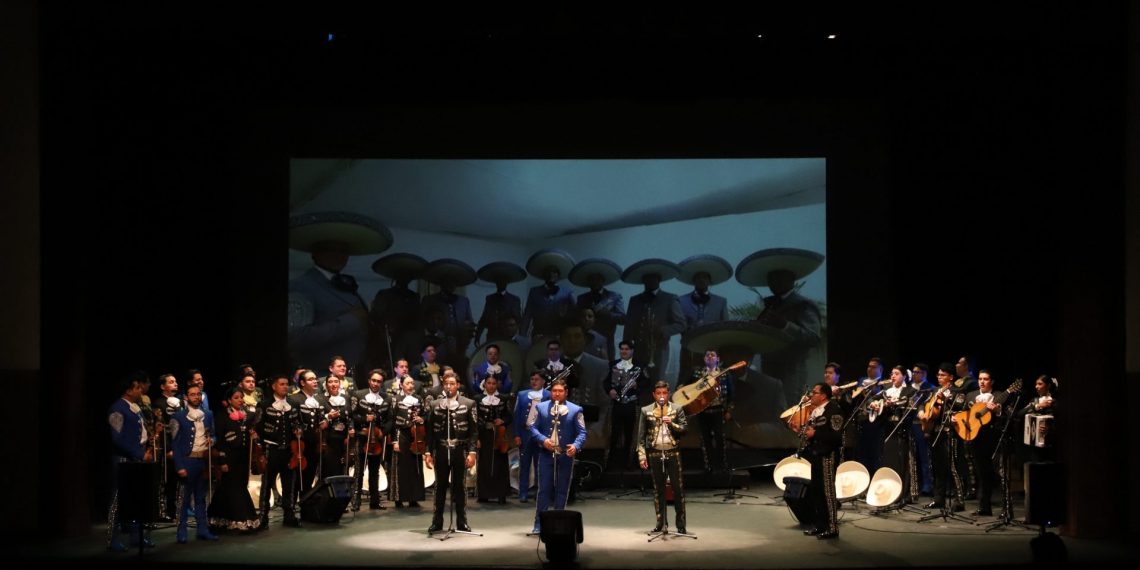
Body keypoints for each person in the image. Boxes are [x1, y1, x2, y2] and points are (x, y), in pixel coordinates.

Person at [287, 211, 393, 374]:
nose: (338, 255)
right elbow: (296, 339)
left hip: (356, 374)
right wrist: (351, 320)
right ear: (315, 254)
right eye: (330, 250)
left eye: (343, 250)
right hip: (322, 377)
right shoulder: (302, 286)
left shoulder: (346, 285)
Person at [527, 378, 588, 534]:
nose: (557, 394)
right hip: (546, 454)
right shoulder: (540, 408)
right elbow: (532, 428)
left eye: (560, 391)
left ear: (566, 393)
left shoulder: (576, 409)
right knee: (544, 490)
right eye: (554, 391)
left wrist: (575, 446)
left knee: (562, 490)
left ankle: (558, 523)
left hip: (565, 455)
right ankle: (539, 524)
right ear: (550, 392)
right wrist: (543, 440)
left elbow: (582, 432)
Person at [107, 373, 155, 552]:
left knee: (137, 498)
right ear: (128, 391)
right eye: (136, 387)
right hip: (123, 460)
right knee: (118, 499)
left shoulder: (135, 407)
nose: (140, 390)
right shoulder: (117, 408)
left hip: (136, 459)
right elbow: (117, 438)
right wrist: (139, 454)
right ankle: (112, 538)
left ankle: (137, 536)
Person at [425, 374, 478, 533]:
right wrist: (428, 452)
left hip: (460, 449)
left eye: (452, 383)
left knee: (460, 486)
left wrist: (472, 452)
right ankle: (437, 521)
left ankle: (462, 522)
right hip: (441, 449)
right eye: (446, 383)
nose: (449, 386)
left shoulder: (469, 403)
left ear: (458, 385)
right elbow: (429, 432)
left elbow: (474, 431)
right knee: (440, 486)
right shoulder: (434, 404)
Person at [637, 381, 689, 534]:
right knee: (658, 490)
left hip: (673, 453)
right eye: (658, 393)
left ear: (668, 394)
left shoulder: (677, 409)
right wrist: (642, 457)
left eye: (664, 393)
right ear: (654, 395)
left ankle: (681, 524)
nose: (661, 396)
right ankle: (660, 522)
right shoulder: (646, 411)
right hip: (655, 453)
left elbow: (684, 429)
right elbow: (640, 437)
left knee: (677, 489)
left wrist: (671, 423)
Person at [169, 384, 220, 543]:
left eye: (198, 394)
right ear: (186, 397)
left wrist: (212, 440)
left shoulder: (208, 414)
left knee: (201, 498)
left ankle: (202, 530)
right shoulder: (178, 417)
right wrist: (180, 466)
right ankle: (181, 531)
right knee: (183, 499)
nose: (196, 397)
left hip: (203, 461)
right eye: (193, 394)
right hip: (188, 461)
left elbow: (213, 435)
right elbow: (175, 444)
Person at [622, 259, 686, 386]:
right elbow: (628, 327)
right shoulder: (635, 300)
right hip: (638, 350)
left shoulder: (670, 298)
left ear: (659, 280)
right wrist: (626, 351)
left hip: (659, 350)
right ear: (643, 281)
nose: (650, 281)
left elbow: (681, 324)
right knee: (637, 383)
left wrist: (664, 330)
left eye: (653, 278)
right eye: (647, 278)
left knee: (657, 383)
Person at [207, 387, 261, 532]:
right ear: (229, 400)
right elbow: (219, 441)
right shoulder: (222, 415)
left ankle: (223, 518)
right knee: (231, 487)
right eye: (236, 397)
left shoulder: (245, 415)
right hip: (229, 458)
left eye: (241, 397)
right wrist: (222, 461)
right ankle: (240, 518)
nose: (240, 400)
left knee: (236, 487)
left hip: (242, 458)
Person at [917, 363, 967, 512]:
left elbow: (960, 406)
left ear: (951, 377)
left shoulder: (957, 391)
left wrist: (945, 399)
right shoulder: (934, 390)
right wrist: (921, 413)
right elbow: (922, 404)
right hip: (935, 433)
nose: (939, 377)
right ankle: (939, 499)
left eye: (943, 375)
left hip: (949, 433)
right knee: (937, 468)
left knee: (953, 467)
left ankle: (959, 500)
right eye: (938, 375)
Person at [255, 374, 302, 528]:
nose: (285, 386)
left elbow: (299, 423)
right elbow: (257, 427)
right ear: (274, 386)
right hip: (271, 450)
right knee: (267, 483)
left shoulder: (293, 404)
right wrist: (260, 449)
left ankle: (289, 514)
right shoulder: (264, 404)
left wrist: (298, 430)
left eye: (286, 384)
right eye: (281, 384)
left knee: (289, 483)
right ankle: (263, 517)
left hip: (288, 450)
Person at [868, 365, 920, 503]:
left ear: (904, 376)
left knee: (903, 461)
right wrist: (873, 404)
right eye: (891, 374)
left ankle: (905, 494)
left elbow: (912, 410)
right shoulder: (886, 391)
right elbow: (870, 400)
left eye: (896, 373)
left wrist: (895, 406)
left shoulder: (911, 391)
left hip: (903, 431)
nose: (893, 376)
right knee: (889, 460)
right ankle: (891, 493)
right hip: (888, 430)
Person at [964, 370, 1013, 517]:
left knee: (1000, 473)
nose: (982, 382)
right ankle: (984, 507)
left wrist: (998, 411)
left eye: (985, 379)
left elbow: (1009, 416)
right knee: (982, 474)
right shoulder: (970, 395)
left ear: (991, 381)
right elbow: (965, 413)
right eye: (980, 379)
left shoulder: (999, 396)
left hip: (994, 438)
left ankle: (1006, 509)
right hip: (975, 438)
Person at [370, 252, 428, 366]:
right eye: (402, 275)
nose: (405, 278)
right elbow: (375, 316)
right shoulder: (385, 294)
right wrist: (384, 328)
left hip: (410, 341)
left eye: (408, 276)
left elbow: (419, 319)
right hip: (389, 339)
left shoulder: (414, 296)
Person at [801, 382, 843, 539]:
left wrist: (815, 435)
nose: (812, 395)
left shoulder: (834, 410)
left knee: (828, 492)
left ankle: (832, 528)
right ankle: (819, 525)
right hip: (816, 454)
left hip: (828, 455)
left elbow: (836, 436)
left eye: (815, 392)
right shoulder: (815, 412)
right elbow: (812, 432)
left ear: (824, 395)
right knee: (816, 491)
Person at [676, 255, 732, 373]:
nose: (701, 280)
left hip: (712, 351)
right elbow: (678, 325)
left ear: (710, 281)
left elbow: (725, 327)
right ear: (693, 280)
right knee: (686, 381)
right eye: (698, 277)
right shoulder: (681, 301)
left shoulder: (720, 302)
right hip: (689, 351)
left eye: (705, 277)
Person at [570, 257, 626, 361]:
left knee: (607, 371)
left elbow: (623, 319)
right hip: (586, 343)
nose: (594, 282)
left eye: (597, 279)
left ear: (603, 280)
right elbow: (576, 320)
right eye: (591, 279)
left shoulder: (614, 297)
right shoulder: (582, 298)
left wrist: (608, 315)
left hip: (607, 342)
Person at [689, 349, 734, 473]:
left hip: (718, 410)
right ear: (704, 359)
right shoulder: (697, 373)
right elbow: (686, 387)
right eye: (707, 355)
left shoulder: (724, 374)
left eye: (712, 355)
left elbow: (731, 393)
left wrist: (729, 410)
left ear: (717, 359)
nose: (710, 356)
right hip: (702, 411)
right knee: (705, 439)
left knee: (720, 438)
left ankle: (722, 465)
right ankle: (708, 465)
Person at [351, 369, 391, 510]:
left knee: (375, 471)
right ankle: (356, 502)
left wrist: (382, 432)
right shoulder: (358, 394)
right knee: (359, 470)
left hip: (377, 439)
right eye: (373, 380)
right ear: (369, 381)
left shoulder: (386, 398)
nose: (375, 383)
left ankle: (375, 501)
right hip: (362, 437)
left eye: (379, 381)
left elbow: (390, 420)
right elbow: (352, 415)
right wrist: (364, 419)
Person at [607, 340, 648, 472]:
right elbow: (606, 382)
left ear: (632, 351)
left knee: (630, 434)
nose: (624, 351)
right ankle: (611, 463)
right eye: (622, 349)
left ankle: (628, 463)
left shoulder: (640, 366)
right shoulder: (613, 364)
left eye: (626, 349)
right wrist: (609, 390)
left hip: (631, 404)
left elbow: (647, 382)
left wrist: (637, 386)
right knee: (614, 434)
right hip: (616, 405)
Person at [388, 375, 427, 508]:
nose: (411, 385)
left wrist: (421, 419)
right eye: (408, 383)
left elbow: (426, 415)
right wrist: (394, 441)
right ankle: (399, 498)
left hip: (415, 435)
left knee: (415, 467)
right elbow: (392, 421)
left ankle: (413, 498)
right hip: (401, 435)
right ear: (402, 385)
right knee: (401, 467)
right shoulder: (396, 399)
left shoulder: (419, 399)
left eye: (412, 383)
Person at [521, 249, 576, 341]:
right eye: (548, 272)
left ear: (559, 275)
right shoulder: (534, 292)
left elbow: (574, 316)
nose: (551, 275)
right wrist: (522, 337)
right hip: (539, 336)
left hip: (560, 336)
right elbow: (527, 316)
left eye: (554, 272)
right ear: (543, 275)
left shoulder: (567, 293)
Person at [289, 370, 329, 492]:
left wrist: (325, 422)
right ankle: (291, 505)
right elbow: (292, 420)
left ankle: (306, 505)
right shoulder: (294, 399)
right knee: (297, 478)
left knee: (310, 476)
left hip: (315, 444)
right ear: (302, 382)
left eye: (315, 378)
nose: (315, 381)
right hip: (300, 445)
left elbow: (321, 418)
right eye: (311, 379)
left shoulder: (319, 400)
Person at [474, 376, 512, 504]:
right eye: (488, 383)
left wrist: (503, 421)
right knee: (484, 464)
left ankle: (501, 494)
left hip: (499, 435)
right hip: (484, 435)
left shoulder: (503, 398)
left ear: (497, 385)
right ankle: (484, 494)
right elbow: (475, 419)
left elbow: (509, 416)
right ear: (484, 385)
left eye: (493, 383)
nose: (491, 385)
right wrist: (477, 438)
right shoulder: (478, 399)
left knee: (500, 464)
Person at [514, 371, 550, 502]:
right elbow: (517, 415)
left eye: (537, 379)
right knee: (524, 465)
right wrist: (517, 434)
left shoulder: (548, 395)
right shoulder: (522, 395)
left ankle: (539, 492)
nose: (534, 381)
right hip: (525, 433)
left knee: (540, 465)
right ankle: (523, 492)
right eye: (532, 379)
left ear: (543, 381)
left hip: (541, 435)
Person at [474, 261, 526, 345]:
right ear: (496, 283)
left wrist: (521, 339)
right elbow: (484, 319)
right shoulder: (490, 298)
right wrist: (477, 336)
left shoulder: (514, 300)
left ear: (507, 283)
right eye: (498, 281)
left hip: (507, 337)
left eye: (503, 281)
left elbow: (517, 320)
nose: (501, 283)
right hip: (492, 336)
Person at [1017, 375, 1058, 462]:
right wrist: (1037, 406)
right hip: (1034, 444)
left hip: (1051, 443)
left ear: (1048, 386)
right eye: (1036, 384)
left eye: (1040, 384)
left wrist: (1050, 428)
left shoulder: (1054, 401)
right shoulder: (1034, 401)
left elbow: (1060, 422)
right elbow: (1019, 414)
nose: (1036, 386)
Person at [909, 363, 935, 495]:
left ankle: (927, 485)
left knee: (925, 455)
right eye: (913, 372)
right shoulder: (909, 388)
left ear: (924, 374)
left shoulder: (930, 388)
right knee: (912, 456)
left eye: (917, 372)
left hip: (922, 425)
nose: (914, 374)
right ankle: (914, 485)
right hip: (909, 424)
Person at [323, 374, 355, 476]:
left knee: (343, 468)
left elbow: (350, 417)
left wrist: (352, 428)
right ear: (326, 385)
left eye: (336, 381)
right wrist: (328, 416)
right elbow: (318, 419)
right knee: (330, 469)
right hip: (328, 440)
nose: (333, 384)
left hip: (344, 440)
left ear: (339, 383)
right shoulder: (321, 398)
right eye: (330, 382)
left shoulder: (346, 398)